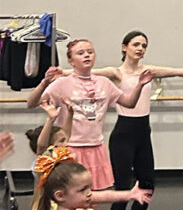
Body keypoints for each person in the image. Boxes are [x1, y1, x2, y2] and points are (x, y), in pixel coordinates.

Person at [93, 30, 183, 210]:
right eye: (136, 45)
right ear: (124, 48)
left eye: (144, 45)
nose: (140, 49)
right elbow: (86, 72)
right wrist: (59, 73)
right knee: (123, 187)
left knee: (148, 184)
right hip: (123, 133)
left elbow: (178, 71)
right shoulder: (116, 73)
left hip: (143, 132)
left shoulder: (148, 71)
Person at [25, 40, 152, 191]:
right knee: (71, 196)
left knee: (91, 197)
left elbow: (129, 103)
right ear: (71, 61)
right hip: (70, 146)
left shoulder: (104, 82)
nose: (87, 56)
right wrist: (44, 82)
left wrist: (140, 85)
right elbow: (31, 103)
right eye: (80, 53)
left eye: (90, 52)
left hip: (95, 146)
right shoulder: (61, 84)